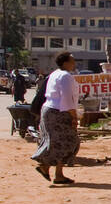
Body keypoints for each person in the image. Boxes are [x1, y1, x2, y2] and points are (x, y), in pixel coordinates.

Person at [32, 53, 80, 186]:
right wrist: (74, 116)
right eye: (72, 60)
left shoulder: (55, 74)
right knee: (69, 142)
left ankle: (58, 174)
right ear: (65, 63)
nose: (74, 63)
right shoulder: (65, 76)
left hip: (51, 110)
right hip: (58, 112)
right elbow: (66, 98)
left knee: (60, 142)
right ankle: (45, 166)